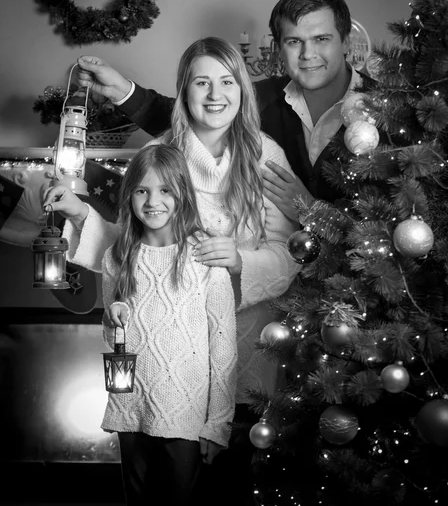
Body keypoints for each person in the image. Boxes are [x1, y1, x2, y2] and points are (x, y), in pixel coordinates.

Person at [43, 36, 301, 506]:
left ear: (242, 90)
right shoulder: (162, 154)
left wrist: (243, 261)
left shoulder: (265, 156)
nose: (215, 94)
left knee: (229, 481)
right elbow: (132, 249)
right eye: (201, 82)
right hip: (167, 355)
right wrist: (82, 216)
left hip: (245, 345)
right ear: (183, 92)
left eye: (227, 81)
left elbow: (292, 252)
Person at [75, 0, 374, 220]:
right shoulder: (262, 98)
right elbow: (192, 118)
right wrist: (119, 90)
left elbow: (396, 218)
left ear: (346, 41)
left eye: (321, 39)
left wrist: (312, 211)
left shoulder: (388, 109)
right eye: (294, 41)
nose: (308, 54)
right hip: (282, 280)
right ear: (279, 47)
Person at [100, 143, 237, 506]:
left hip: (185, 413)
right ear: (129, 195)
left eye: (165, 190)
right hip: (130, 407)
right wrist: (112, 319)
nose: (152, 201)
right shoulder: (117, 257)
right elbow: (113, 336)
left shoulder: (204, 256)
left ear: (182, 195)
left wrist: (218, 423)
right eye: (142, 190)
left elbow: (223, 345)